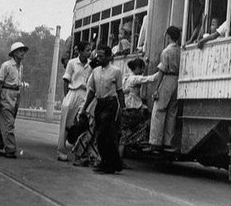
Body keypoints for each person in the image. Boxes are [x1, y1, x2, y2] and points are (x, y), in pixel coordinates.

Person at [80, 45, 125, 173]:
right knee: (102, 135)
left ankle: (108, 164)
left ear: (110, 57)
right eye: (97, 56)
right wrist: (84, 108)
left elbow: (120, 91)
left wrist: (123, 107)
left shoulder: (116, 71)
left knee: (104, 135)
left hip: (111, 104)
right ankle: (114, 163)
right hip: (100, 104)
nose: (98, 59)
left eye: (101, 56)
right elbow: (91, 92)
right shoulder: (95, 71)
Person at [57, 40, 92, 162]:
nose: (89, 52)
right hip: (72, 93)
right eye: (87, 50)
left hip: (85, 94)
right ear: (80, 51)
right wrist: (66, 97)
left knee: (82, 122)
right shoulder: (72, 63)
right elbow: (66, 80)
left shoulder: (90, 65)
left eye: (90, 50)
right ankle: (62, 151)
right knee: (66, 122)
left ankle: (74, 145)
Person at [149, 26, 181, 153]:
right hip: (177, 80)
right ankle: (168, 142)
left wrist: (156, 88)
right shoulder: (180, 50)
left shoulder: (166, 51)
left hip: (167, 79)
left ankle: (155, 142)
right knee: (172, 113)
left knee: (159, 111)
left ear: (168, 36)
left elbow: (162, 71)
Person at [0, 42, 29, 158]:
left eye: (23, 51)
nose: (23, 53)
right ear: (14, 53)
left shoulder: (21, 67)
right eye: (20, 51)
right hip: (6, 93)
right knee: (9, 123)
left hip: (16, 94)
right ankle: (10, 149)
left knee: (6, 123)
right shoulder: (6, 66)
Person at [119, 58, 157, 158]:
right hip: (133, 107)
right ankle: (136, 140)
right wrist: (162, 71)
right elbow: (151, 78)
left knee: (123, 134)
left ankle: (120, 157)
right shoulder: (135, 78)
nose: (142, 71)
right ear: (137, 68)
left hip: (125, 107)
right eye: (142, 68)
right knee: (148, 121)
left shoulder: (126, 78)